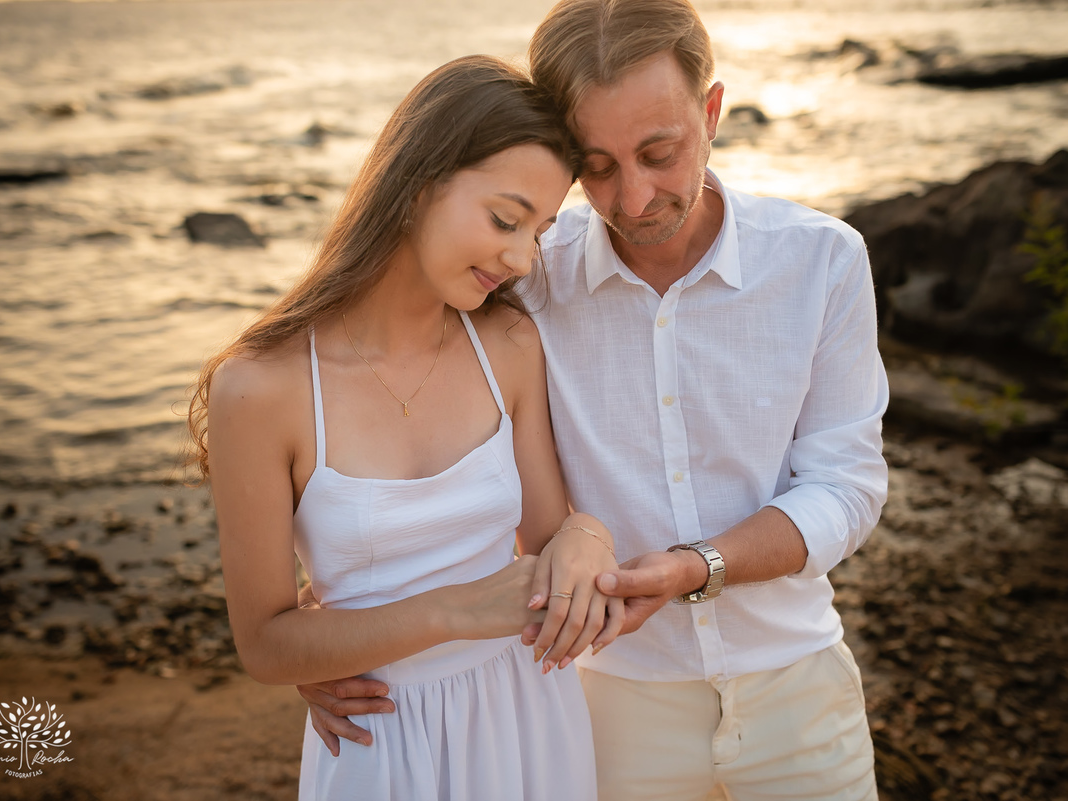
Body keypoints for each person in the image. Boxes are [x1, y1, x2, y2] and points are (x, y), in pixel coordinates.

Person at [300, 1, 890, 799]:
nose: (634, 198)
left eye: (660, 152)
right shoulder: (523, 278)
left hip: (800, 690)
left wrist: (696, 566)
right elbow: (392, 409)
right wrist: (322, 626)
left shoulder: (823, 261)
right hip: (606, 702)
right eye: (597, 165)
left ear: (711, 112)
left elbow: (846, 484)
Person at [188, 55, 623, 801]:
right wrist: (453, 611)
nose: (520, 258)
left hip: (529, 718)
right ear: (418, 185)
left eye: (541, 231)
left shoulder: (508, 345)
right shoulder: (261, 388)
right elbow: (264, 641)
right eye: (504, 219)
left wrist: (590, 537)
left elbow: (552, 534)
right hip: (380, 736)